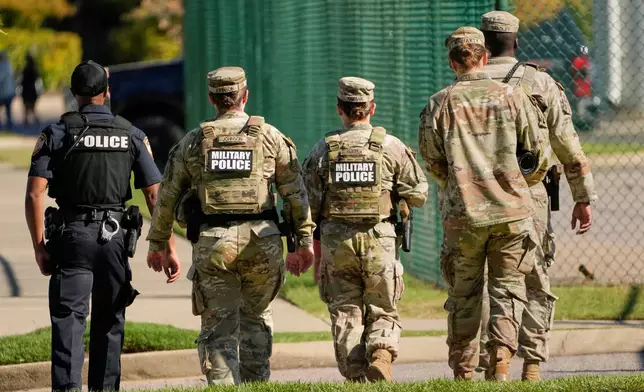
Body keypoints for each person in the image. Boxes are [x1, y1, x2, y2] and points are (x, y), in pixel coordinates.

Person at [145, 66, 316, 386]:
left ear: (212, 99)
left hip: (213, 245)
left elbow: (166, 197)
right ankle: (254, 384)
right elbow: (295, 193)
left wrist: (158, 246)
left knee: (218, 329)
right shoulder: (270, 137)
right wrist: (304, 243)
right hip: (262, 243)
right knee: (256, 322)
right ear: (244, 96)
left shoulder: (194, 142)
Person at [25, 60, 176, 391]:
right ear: (107, 93)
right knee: (109, 323)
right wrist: (167, 246)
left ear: (74, 93)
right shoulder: (131, 134)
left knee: (69, 323)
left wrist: (39, 247)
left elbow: (35, 195)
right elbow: (155, 196)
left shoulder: (57, 133)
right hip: (114, 241)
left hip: (72, 240)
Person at [418, 26, 550, 381]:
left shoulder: (439, 103)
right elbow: (536, 154)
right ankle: (503, 362)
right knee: (507, 288)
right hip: (512, 212)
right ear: (484, 56)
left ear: (452, 62)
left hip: (463, 217)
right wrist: (518, 185)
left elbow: (432, 160)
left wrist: (457, 187)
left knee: (464, 293)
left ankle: (464, 371)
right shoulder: (512, 96)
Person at [476, 11, 598, 381]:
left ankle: (494, 357)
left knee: (484, 278)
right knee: (533, 275)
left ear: (483, 43)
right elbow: (568, 146)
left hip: (477, 195)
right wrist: (582, 196)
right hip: (531, 194)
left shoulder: (466, 82)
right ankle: (532, 363)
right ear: (516, 41)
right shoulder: (542, 83)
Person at [302, 77, 428, 382]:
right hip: (380, 238)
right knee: (383, 307)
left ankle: (356, 376)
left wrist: (311, 248)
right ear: (371, 108)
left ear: (339, 110)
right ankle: (382, 353)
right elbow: (419, 192)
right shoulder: (391, 146)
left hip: (337, 242)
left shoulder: (325, 149)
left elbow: (309, 204)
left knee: (346, 311)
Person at [21, 51, 42, 125]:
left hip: (26, 91)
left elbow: (22, 81)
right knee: (32, 108)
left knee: (26, 108)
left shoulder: (25, 70)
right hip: (32, 91)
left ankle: (26, 121)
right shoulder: (35, 69)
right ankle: (35, 120)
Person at [0, 50, 15, 129]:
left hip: (3, 93)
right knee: (8, 110)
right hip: (9, 92)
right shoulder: (9, 66)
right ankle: (9, 125)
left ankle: (7, 125)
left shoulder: (2, 66)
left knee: (7, 110)